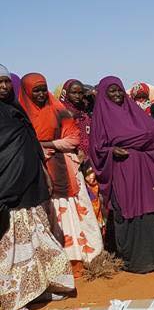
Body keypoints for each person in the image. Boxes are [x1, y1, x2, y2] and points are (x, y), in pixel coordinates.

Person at [0, 67, 75, 310]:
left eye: (6, 82)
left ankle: (40, 288)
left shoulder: (16, 111)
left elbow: (31, 145)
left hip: (31, 186)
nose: (3, 87)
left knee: (37, 238)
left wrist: (44, 175)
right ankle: (15, 298)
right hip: (8, 190)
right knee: (14, 247)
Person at [90, 76, 154, 274]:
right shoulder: (101, 118)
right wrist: (112, 150)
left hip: (146, 171)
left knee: (151, 211)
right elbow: (96, 149)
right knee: (129, 212)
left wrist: (140, 142)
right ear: (104, 94)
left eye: (119, 90)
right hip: (123, 173)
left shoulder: (134, 112)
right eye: (111, 91)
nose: (116, 95)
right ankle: (139, 262)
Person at [20, 73, 105, 271]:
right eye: (36, 91)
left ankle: (86, 259)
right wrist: (42, 148)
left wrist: (46, 145)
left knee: (76, 214)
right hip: (39, 173)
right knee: (53, 217)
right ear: (26, 92)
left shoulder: (59, 111)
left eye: (43, 89)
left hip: (68, 169)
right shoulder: (21, 115)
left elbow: (73, 138)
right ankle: (60, 265)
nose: (41, 94)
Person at [58, 78, 94, 161]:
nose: (77, 96)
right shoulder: (60, 113)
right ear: (66, 93)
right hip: (69, 158)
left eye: (80, 93)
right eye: (73, 93)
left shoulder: (85, 113)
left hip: (88, 159)